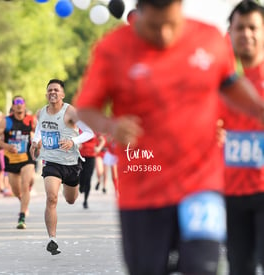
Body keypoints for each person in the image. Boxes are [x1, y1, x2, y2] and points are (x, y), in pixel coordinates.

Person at [74, 0, 264, 274]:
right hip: (143, 190)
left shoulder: (209, 38)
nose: (163, 34)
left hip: (200, 186)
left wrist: (257, 109)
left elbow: (229, 82)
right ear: (139, 13)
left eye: (171, 25)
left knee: (203, 267)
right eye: (153, 26)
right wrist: (111, 125)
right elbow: (86, 108)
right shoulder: (112, 49)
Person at [221, 1, 264, 274]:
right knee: (239, 268)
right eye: (240, 28)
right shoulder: (217, 82)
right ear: (230, 32)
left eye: (253, 27)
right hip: (230, 194)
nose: (246, 34)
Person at [30, 79, 94, 255]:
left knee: (71, 199)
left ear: (62, 94)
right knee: (51, 198)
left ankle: (74, 187)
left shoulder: (70, 112)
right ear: (46, 93)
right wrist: (35, 142)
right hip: (51, 161)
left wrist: (72, 141)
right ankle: (52, 239)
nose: (53, 93)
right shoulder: (41, 112)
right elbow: (39, 130)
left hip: (71, 163)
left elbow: (90, 132)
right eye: (50, 90)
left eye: (56, 90)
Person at [0, 96, 37, 229]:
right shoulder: (6, 121)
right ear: (12, 106)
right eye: (16, 103)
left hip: (26, 158)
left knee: (25, 185)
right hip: (11, 159)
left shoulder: (31, 120)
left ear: (24, 105)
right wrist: (6, 146)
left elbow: (39, 133)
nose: (19, 105)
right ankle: (23, 201)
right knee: (16, 190)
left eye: (21, 102)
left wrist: (37, 143)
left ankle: (22, 216)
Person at [79, 132, 105, 209]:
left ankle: (85, 200)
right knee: (81, 176)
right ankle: (81, 186)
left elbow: (102, 140)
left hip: (91, 156)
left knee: (88, 178)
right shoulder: (79, 128)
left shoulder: (94, 128)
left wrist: (99, 148)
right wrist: (77, 144)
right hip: (80, 156)